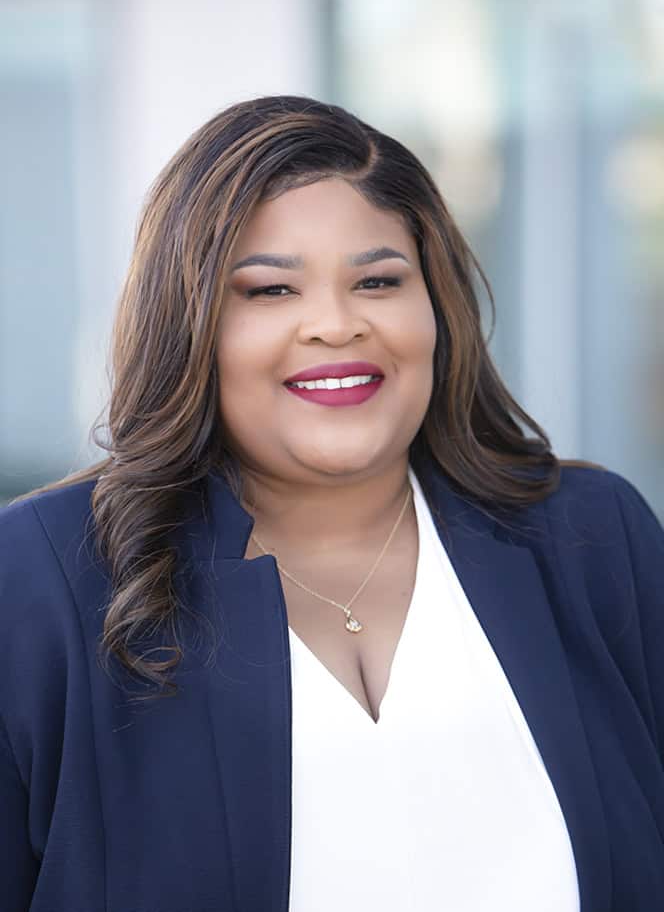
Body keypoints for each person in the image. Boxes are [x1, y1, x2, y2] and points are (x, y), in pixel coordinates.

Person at [1, 95, 663, 912]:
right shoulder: (38, 582)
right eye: (270, 291)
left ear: (436, 309)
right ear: (189, 324)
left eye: (378, 280)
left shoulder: (595, 537)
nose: (336, 325)